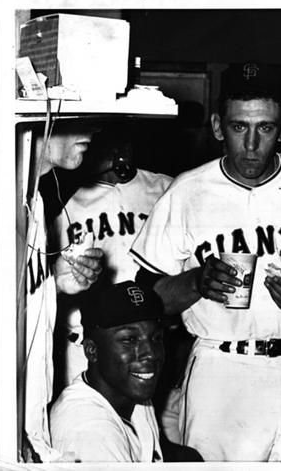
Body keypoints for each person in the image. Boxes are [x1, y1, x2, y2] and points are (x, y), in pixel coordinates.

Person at [130, 62, 281, 461]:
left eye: (265, 128)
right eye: (239, 127)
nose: (251, 144)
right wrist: (197, 282)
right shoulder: (187, 191)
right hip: (221, 372)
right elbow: (145, 300)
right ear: (218, 126)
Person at [51, 125, 173, 387]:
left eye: (125, 142)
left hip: (147, 344)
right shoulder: (62, 194)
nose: (120, 153)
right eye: (109, 142)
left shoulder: (164, 187)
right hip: (80, 344)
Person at [50, 280, 203, 462]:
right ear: (92, 350)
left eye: (156, 338)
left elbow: (154, 450)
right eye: (130, 339)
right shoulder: (90, 431)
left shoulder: (126, 389)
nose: (150, 354)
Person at [23, 119, 104, 462]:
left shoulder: (35, 199)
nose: (95, 131)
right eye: (84, 119)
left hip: (27, 411)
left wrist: (54, 281)